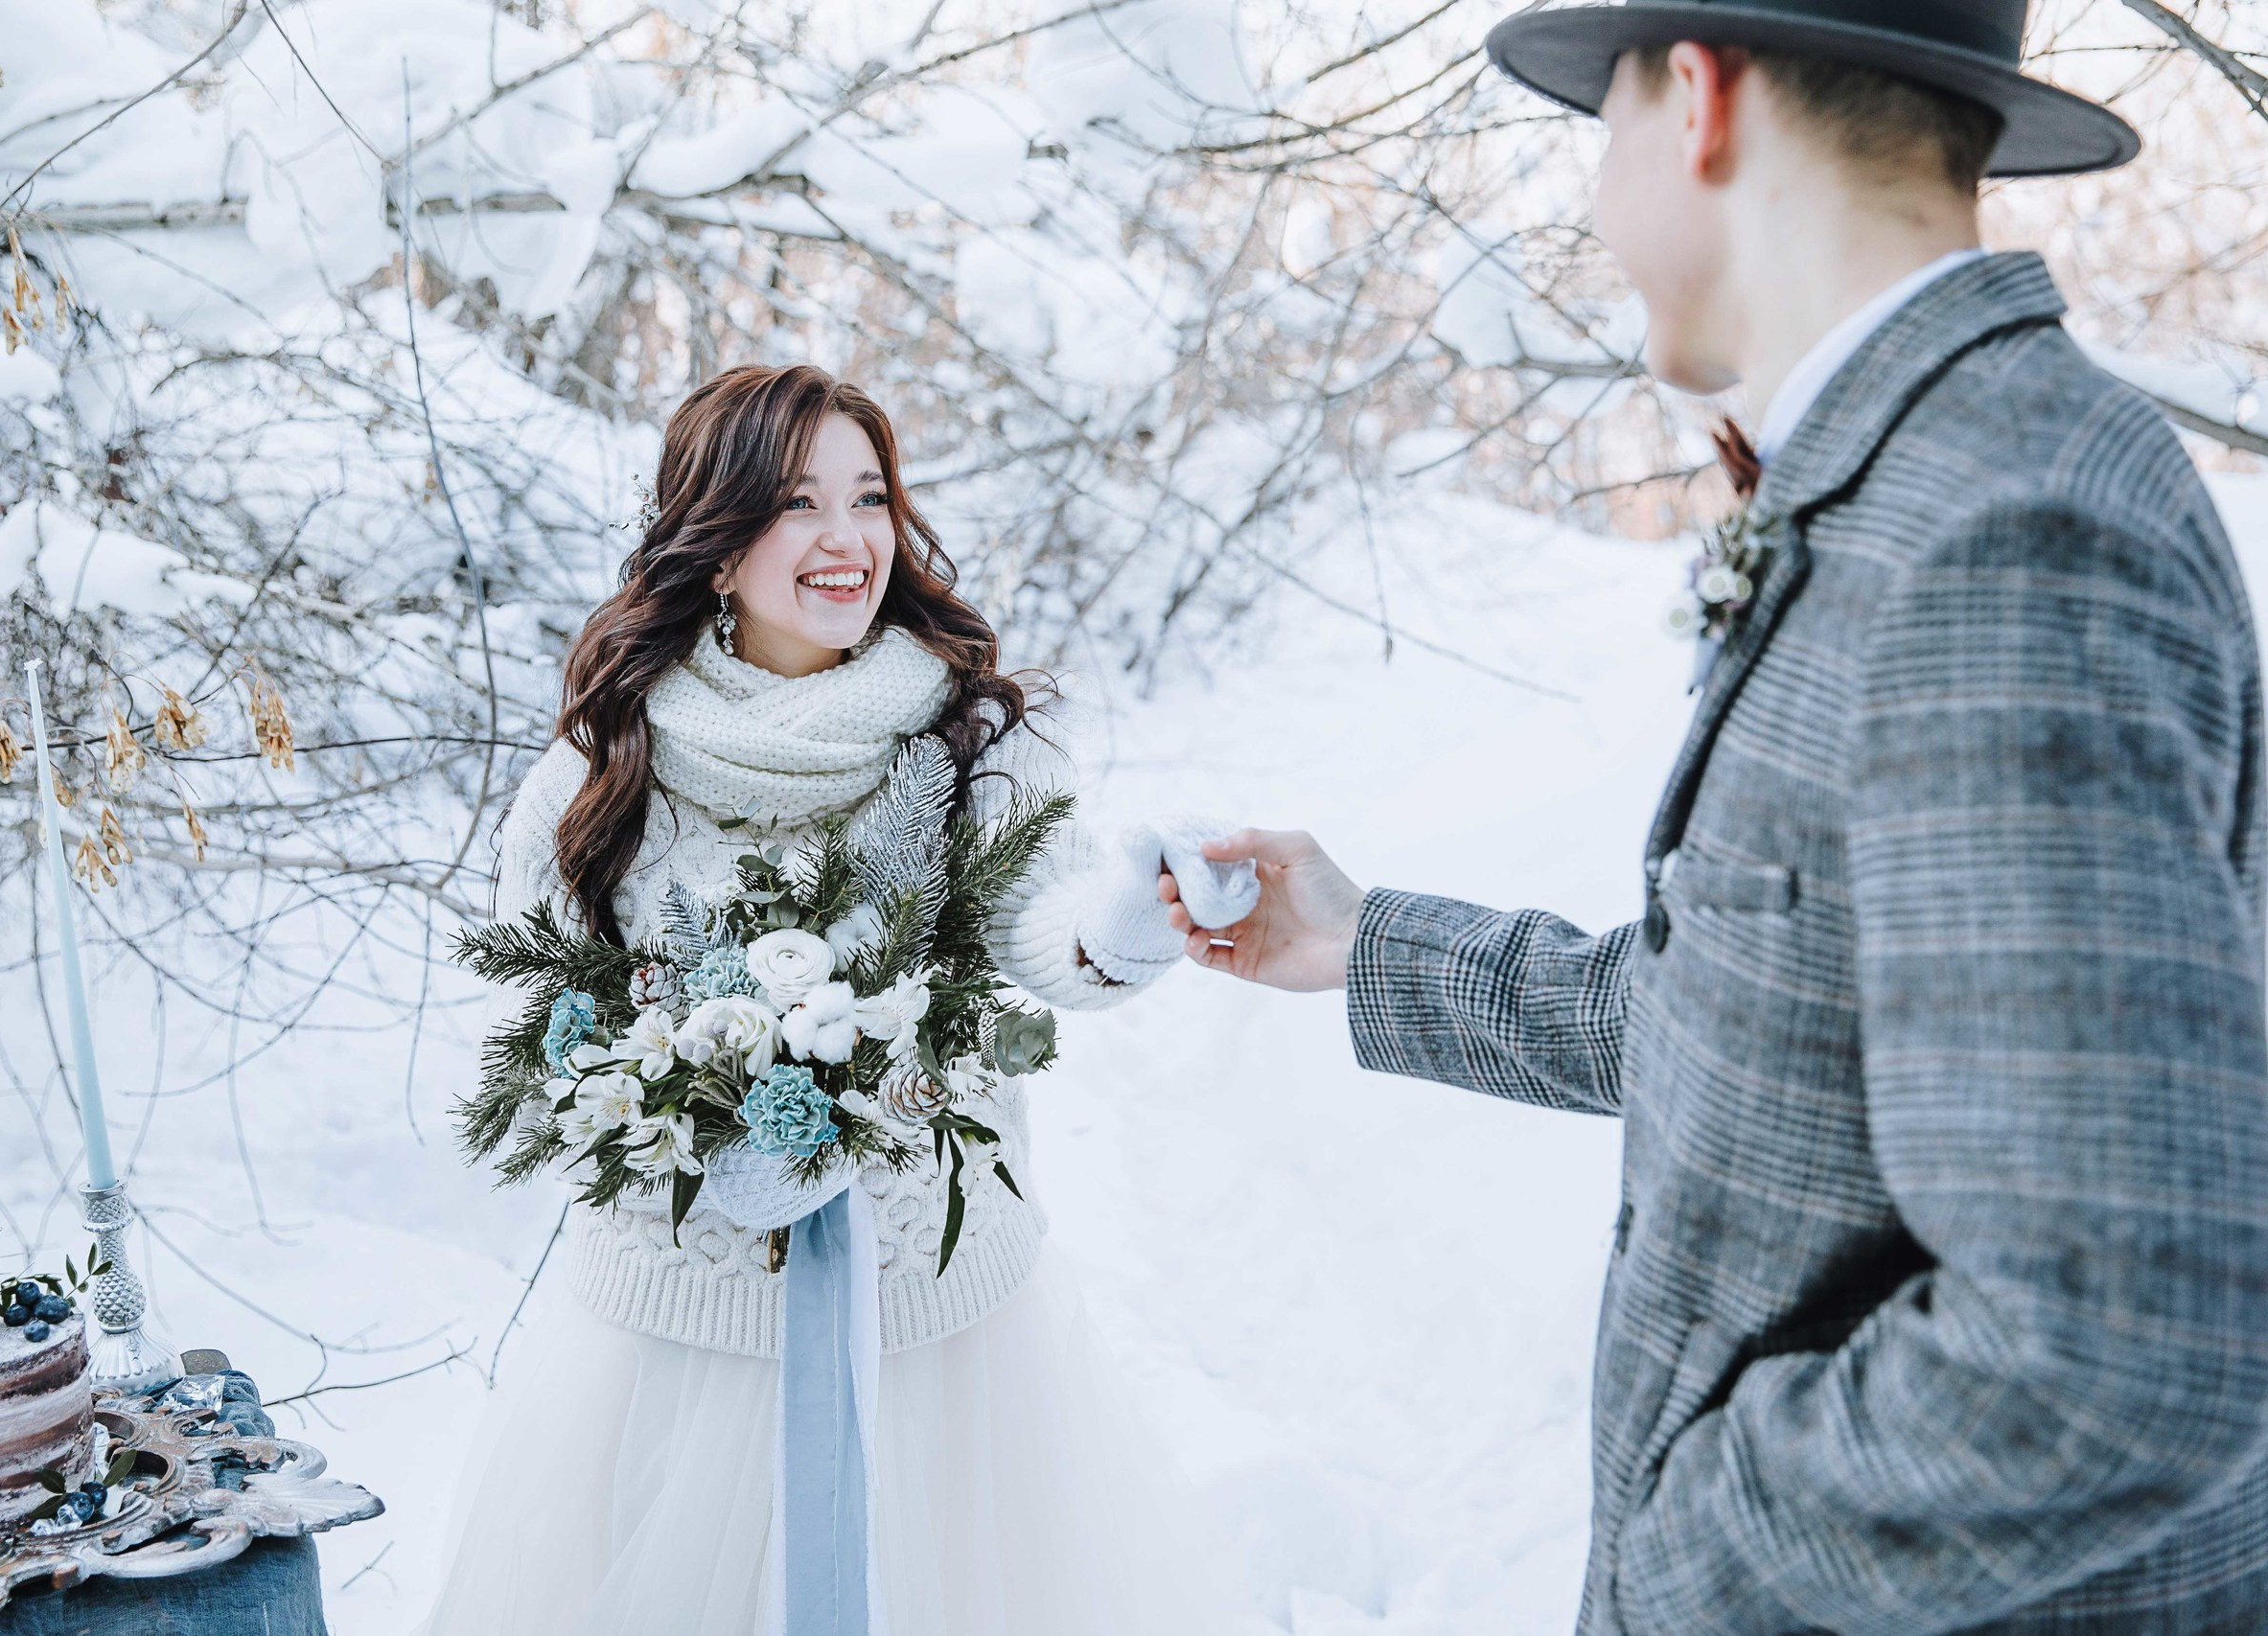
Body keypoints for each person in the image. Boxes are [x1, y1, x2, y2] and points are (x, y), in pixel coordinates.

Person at [1167, 3, 2268, 1632]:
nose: (1596, 196)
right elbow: (1784, 1009)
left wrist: (1680, 1557)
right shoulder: (1920, 474)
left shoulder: (2004, 533)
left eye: (1598, 126)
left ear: (1696, 102)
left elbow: (2114, 1344)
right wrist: (1365, 943)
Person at [423, 364, 1240, 1636]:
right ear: (716, 537)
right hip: (680, 1337)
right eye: (800, 502)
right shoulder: (612, 755)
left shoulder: (968, 736)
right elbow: (533, 1023)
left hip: (932, 1332)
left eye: (870, 498)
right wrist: (693, 1127)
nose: (849, 538)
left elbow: (1048, 931)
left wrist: (1137, 917)